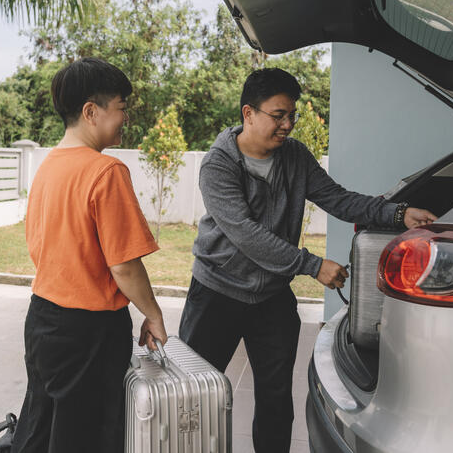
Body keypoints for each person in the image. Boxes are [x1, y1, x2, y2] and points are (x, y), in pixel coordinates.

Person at [178, 68, 437, 453]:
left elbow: (338, 198)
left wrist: (399, 214)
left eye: (292, 115)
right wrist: (312, 265)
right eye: (278, 115)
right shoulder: (218, 164)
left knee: (276, 401)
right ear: (248, 113)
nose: (287, 124)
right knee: (193, 395)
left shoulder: (295, 156)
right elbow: (246, 234)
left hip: (270, 299)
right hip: (217, 293)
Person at [11, 57, 168, 453]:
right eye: (121, 108)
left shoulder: (48, 167)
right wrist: (153, 313)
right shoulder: (105, 171)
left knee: (42, 429)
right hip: (89, 333)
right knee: (89, 437)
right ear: (90, 111)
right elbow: (124, 265)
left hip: (43, 320)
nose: (125, 118)